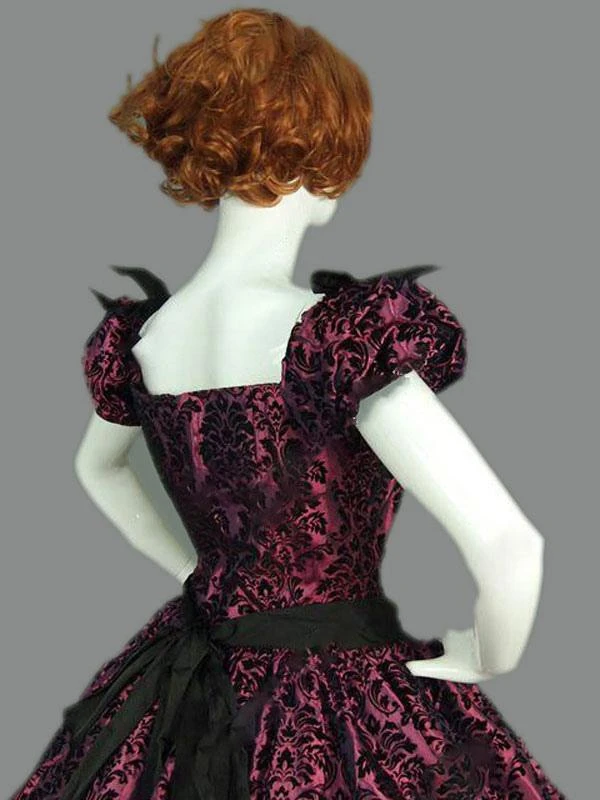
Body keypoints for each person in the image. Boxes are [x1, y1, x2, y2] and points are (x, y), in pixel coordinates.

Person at [10, 8, 567, 799]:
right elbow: (510, 545)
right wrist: (486, 655)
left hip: (187, 681)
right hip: (341, 696)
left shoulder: (146, 341)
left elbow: (96, 467)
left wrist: (198, 572)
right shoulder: (338, 343)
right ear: (320, 160)